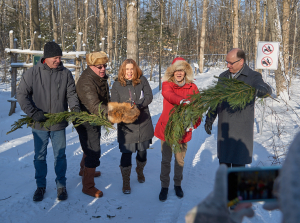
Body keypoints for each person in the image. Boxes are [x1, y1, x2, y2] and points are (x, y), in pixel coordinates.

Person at [186, 132, 300, 223]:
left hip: (234, 147)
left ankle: (232, 203)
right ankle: (233, 203)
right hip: (236, 147)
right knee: (236, 183)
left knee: (235, 183)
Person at [17, 41, 80, 202]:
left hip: (58, 123)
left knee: (60, 156)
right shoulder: (32, 73)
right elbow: (22, 95)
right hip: (40, 123)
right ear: (46, 57)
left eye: (59, 57)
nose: (58, 60)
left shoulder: (65, 73)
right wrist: (33, 113)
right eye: (55, 57)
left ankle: (61, 186)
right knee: (40, 156)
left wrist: (75, 109)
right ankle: (40, 186)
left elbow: (71, 94)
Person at [204, 48, 272, 168]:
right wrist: (210, 118)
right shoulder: (223, 76)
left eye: (231, 63)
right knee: (224, 169)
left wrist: (262, 89)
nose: (228, 65)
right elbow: (216, 100)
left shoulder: (252, 76)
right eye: (227, 62)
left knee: (238, 172)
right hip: (224, 130)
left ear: (241, 61)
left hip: (241, 132)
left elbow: (263, 86)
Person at [154, 57, 201, 201]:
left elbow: (198, 108)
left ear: (186, 71)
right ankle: (164, 186)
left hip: (183, 130)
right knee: (166, 160)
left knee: (180, 160)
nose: (179, 73)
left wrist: (194, 123)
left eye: (181, 70)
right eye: (176, 70)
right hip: (167, 128)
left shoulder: (192, 87)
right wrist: (182, 101)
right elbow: (168, 95)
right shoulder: (167, 84)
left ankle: (177, 184)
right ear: (172, 72)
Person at [110, 59, 154, 194]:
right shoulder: (117, 84)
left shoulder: (142, 80)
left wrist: (139, 105)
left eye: (132, 69)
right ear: (123, 71)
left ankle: (140, 170)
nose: (129, 72)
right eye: (127, 69)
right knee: (126, 153)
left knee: (142, 152)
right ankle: (126, 181)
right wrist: (126, 110)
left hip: (143, 122)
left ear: (136, 70)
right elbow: (114, 105)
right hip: (126, 125)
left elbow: (149, 96)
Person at [75, 51, 110, 198]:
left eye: (104, 66)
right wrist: (117, 113)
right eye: (99, 66)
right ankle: (87, 186)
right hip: (86, 120)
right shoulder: (86, 82)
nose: (102, 69)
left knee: (90, 147)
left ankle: (85, 170)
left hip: (94, 119)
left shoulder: (98, 77)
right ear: (90, 66)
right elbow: (95, 106)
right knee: (93, 150)